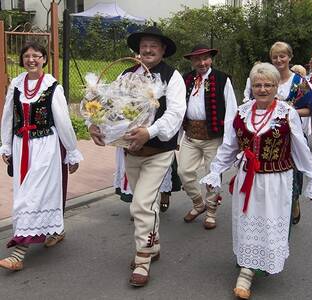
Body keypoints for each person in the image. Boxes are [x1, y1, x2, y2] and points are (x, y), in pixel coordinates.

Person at [200, 63, 312, 299]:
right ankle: (246, 270)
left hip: (276, 180)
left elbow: (300, 149)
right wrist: (215, 171)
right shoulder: (241, 112)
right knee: (247, 222)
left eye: (268, 85)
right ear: (251, 87)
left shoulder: (287, 113)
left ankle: (258, 264)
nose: (263, 89)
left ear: (276, 86)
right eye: (258, 85)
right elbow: (229, 147)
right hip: (247, 178)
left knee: (268, 223)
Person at [89, 26, 186, 287]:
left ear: (163, 50)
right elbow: (109, 107)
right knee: (147, 204)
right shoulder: (126, 73)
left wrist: (150, 131)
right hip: (131, 151)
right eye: (144, 44)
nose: (148, 49)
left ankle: (143, 258)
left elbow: (176, 114)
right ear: (138, 48)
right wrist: (96, 125)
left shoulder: (172, 76)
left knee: (140, 204)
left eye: (154, 44)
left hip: (158, 152)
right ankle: (152, 246)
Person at [0, 42, 83, 271]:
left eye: (36, 55)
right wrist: (6, 145)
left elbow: (63, 121)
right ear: (22, 60)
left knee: (33, 195)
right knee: (26, 192)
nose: (31, 59)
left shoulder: (52, 87)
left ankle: (18, 253)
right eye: (27, 56)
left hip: (46, 147)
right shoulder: (16, 85)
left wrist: (72, 151)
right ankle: (55, 231)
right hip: (21, 146)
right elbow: (8, 117)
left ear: (45, 59)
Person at [179, 44, 237, 229]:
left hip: (213, 136)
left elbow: (231, 110)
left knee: (213, 174)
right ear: (191, 61)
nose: (201, 62)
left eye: (205, 58)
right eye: (197, 59)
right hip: (190, 136)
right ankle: (198, 203)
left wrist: (229, 139)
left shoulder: (222, 79)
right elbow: (179, 108)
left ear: (211, 59)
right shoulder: (185, 79)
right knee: (183, 171)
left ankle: (211, 210)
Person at [269, 42, 312, 225]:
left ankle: (294, 199)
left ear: (289, 57)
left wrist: (290, 111)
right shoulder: (267, 79)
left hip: (292, 135)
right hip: (270, 136)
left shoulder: (299, 82)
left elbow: (310, 109)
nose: (279, 60)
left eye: (282, 56)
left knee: (294, 171)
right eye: (275, 57)